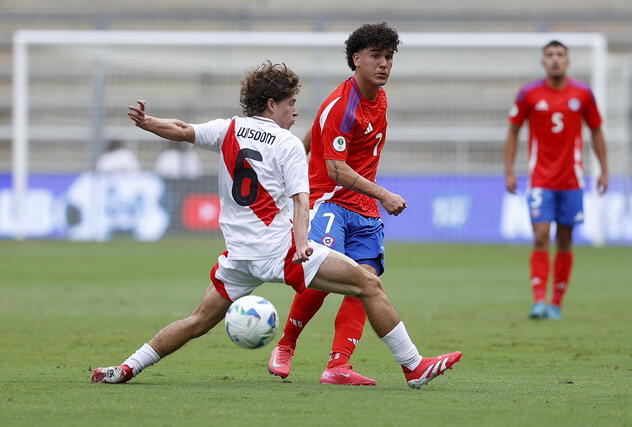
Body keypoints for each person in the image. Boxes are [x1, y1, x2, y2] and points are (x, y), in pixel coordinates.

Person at [90, 61, 461, 389]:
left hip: (238, 257)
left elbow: (183, 129)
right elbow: (302, 202)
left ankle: (126, 367)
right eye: (291, 104)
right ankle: (414, 367)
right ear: (271, 104)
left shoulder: (229, 128)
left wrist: (148, 123)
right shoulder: (286, 145)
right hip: (280, 252)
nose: (296, 112)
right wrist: (302, 244)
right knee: (369, 283)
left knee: (198, 320)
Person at [267, 23, 407, 386]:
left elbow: (317, 132)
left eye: (389, 57)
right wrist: (385, 194)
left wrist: (295, 154)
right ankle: (285, 345)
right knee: (323, 280)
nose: (384, 64)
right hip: (329, 202)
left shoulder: (379, 97)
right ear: (356, 59)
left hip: (364, 209)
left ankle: (338, 365)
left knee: (366, 281)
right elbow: (337, 170)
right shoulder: (341, 105)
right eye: (376, 56)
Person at [504, 40, 608, 320]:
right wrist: (510, 170)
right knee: (540, 236)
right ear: (543, 62)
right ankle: (539, 300)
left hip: (572, 179)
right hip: (540, 178)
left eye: (560, 55)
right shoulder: (529, 94)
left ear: (568, 61)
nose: (555, 60)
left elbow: (597, 130)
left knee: (565, 239)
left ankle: (556, 303)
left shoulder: (583, 94)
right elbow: (513, 131)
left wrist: (604, 169)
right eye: (550, 55)